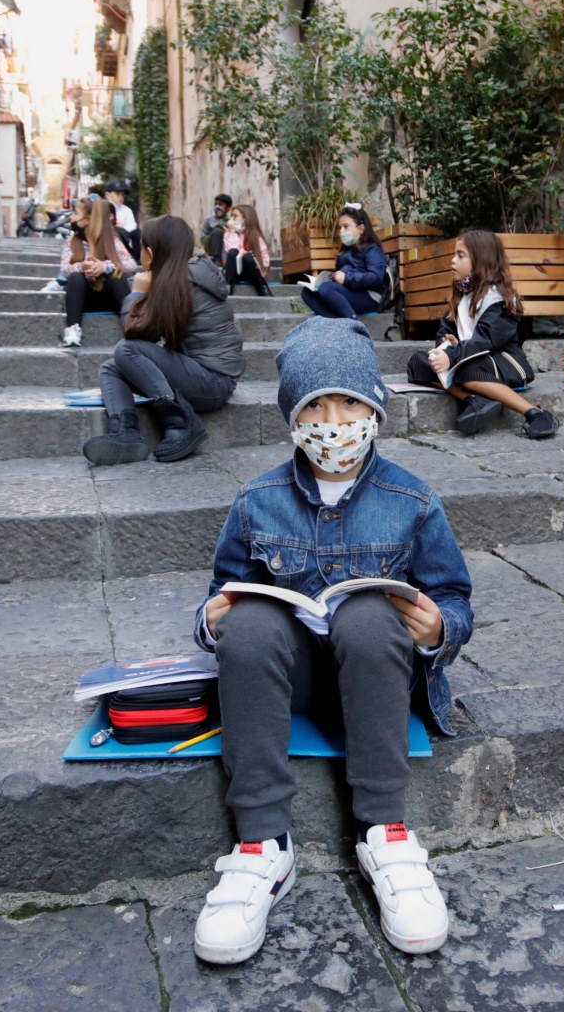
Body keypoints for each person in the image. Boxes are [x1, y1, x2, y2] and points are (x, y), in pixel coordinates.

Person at [191, 316, 473, 964]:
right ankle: (262, 844)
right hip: (289, 682)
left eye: (349, 402)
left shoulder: (412, 500)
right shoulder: (257, 500)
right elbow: (220, 593)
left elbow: (454, 596)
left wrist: (440, 627)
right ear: (293, 416)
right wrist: (213, 619)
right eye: (315, 406)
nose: (334, 421)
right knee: (251, 621)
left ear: (375, 408)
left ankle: (385, 832)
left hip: (374, 675)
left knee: (371, 614)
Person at [82, 214, 245, 466]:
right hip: (206, 376)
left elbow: (135, 333)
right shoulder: (186, 275)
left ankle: (181, 423)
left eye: (141, 250)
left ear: (150, 252)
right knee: (111, 367)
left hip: (213, 381)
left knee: (126, 351)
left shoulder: (178, 282)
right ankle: (125, 431)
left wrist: (136, 293)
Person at [406, 230, 559, 438]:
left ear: (480, 261)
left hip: (505, 364)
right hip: (468, 359)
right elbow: (444, 333)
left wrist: (452, 355)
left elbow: (484, 341)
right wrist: (446, 343)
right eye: (454, 255)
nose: (453, 261)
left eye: (460, 255)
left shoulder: (499, 301)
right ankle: (473, 399)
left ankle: (535, 413)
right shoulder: (460, 297)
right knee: (418, 362)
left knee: (463, 365)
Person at [60, 197, 137, 348]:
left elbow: (132, 266)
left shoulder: (111, 239)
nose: (71, 218)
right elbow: (64, 269)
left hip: (110, 296)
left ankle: (132, 327)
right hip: (84, 299)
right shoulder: (73, 242)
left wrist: (105, 266)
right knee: (75, 278)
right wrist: (82, 267)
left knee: (117, 276)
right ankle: (72, 330)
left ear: (87, 219)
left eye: (76, 213)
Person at [300, 202, 388, 319]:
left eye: (346, 226)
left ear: (361, 229)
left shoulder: (372, 250)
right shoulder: (345, 252)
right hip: (351, 291)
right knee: (307, 292)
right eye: (340, 227)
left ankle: (352, 322)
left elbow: (375, 277)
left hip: (370, 296)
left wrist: (346, 278)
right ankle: (336, 323)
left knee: (327, 289)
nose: (341, 231)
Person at [223, 203, 274, 296]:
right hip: (234, 273)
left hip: (252, 274)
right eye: (232, 216)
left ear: (245, 219)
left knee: (248, 256)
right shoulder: (229, 234)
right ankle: (228, 287)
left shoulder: (256, 238)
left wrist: (249, 257)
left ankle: (263, 289)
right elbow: (231, 251)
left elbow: (265, 263)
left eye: (235, 216)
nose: (232, 220)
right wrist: (232, 232)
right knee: (233, 252)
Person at [105, 179, 141, 261]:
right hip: (107, 237)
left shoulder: (127, 210)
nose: (120, 197)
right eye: (117, 194)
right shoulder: (103, 208)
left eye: (122, 195)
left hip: (124, 238)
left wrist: (122, 228)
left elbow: (132, 226)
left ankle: (136, 258)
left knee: (136, 232)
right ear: (108, 195)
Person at [201, 193, 232, 264]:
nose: (217, 207)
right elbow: (203, 239)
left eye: (220, 204)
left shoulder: (231, 221)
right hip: (212, 250)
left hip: (227, 250)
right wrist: (214, 236)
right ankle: (216, 261)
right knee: (217, 231)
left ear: (228, 208)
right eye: (215, 204)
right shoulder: (209, 220)